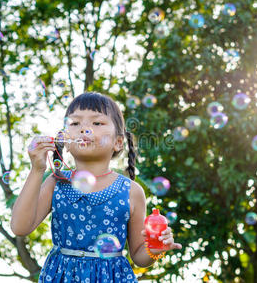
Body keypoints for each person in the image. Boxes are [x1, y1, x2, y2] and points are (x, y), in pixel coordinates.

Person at [10, 92, 182, 282]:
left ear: (117, 142)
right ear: (65, 140)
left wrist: (154, 249)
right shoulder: (56, 181)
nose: (84, 128)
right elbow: (20, 227)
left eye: (97, 123)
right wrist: (37, 169)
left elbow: (139, 256)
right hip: (62, 277)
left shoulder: (131, 191)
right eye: (75, 124)